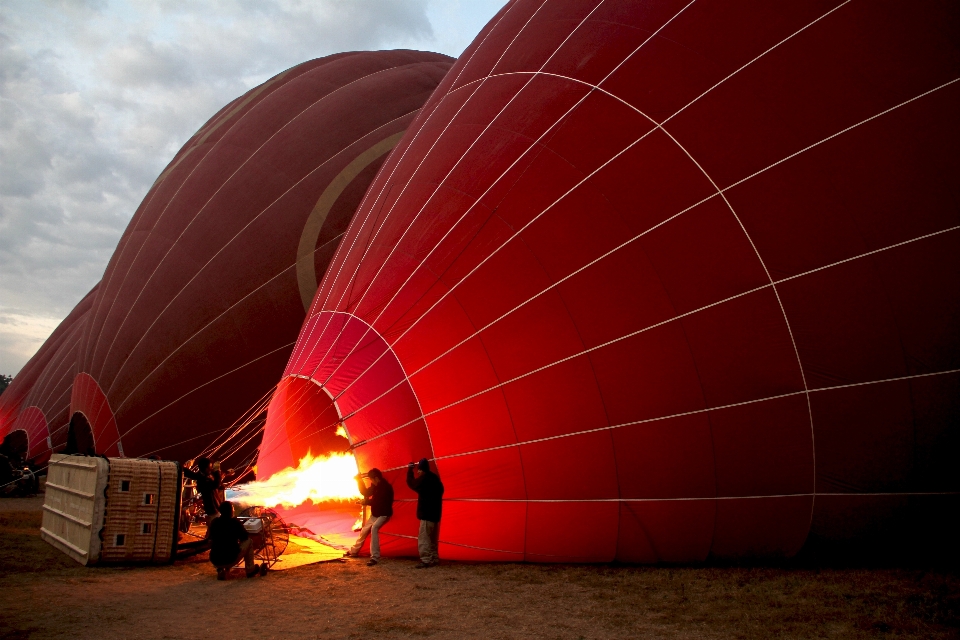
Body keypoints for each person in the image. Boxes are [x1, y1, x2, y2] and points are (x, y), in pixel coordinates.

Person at [345, 468, 393, 566]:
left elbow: (378, 502)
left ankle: (374, 557)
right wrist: (359, 481)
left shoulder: (386, 488)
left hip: (384, 514)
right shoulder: (375, 486)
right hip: (375, 514)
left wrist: (365, 502)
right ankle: (353, 552)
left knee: (374, 528)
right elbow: (366, 493)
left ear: (376, 478)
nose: (371, 481)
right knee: (364, 531)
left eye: (371, 479)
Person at [208, 501, 266, 580]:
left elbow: (211, 538)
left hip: (215, 559)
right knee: (249, 541)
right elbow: (244, 537)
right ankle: (250, 570)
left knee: (224, 546)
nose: (234, 510)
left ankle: (221, 569)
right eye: (233, 509)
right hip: (230, 558)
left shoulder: (215, 522)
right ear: (230, 511)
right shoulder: (234, 522)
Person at [406, 458, 443, 568]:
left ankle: (426, 560)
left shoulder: (424, 479)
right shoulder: (435, 479)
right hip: (436, 515)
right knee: (432, 539)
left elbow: (411, 483)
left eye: (419, 470)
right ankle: (434, 558)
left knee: (424, 538)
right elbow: (442, 490)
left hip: (426, 514)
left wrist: (409, 470)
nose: (418, 472)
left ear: (422, 470)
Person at [182, 457, 220, 527]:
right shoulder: (203, 479)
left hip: (213, 508)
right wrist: (217, 471)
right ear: (206, 469)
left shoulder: (204, 477)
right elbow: (216, 485)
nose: (211, 469)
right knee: (216, 529)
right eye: (210, 467)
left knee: (213, 530)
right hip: (212, 509)